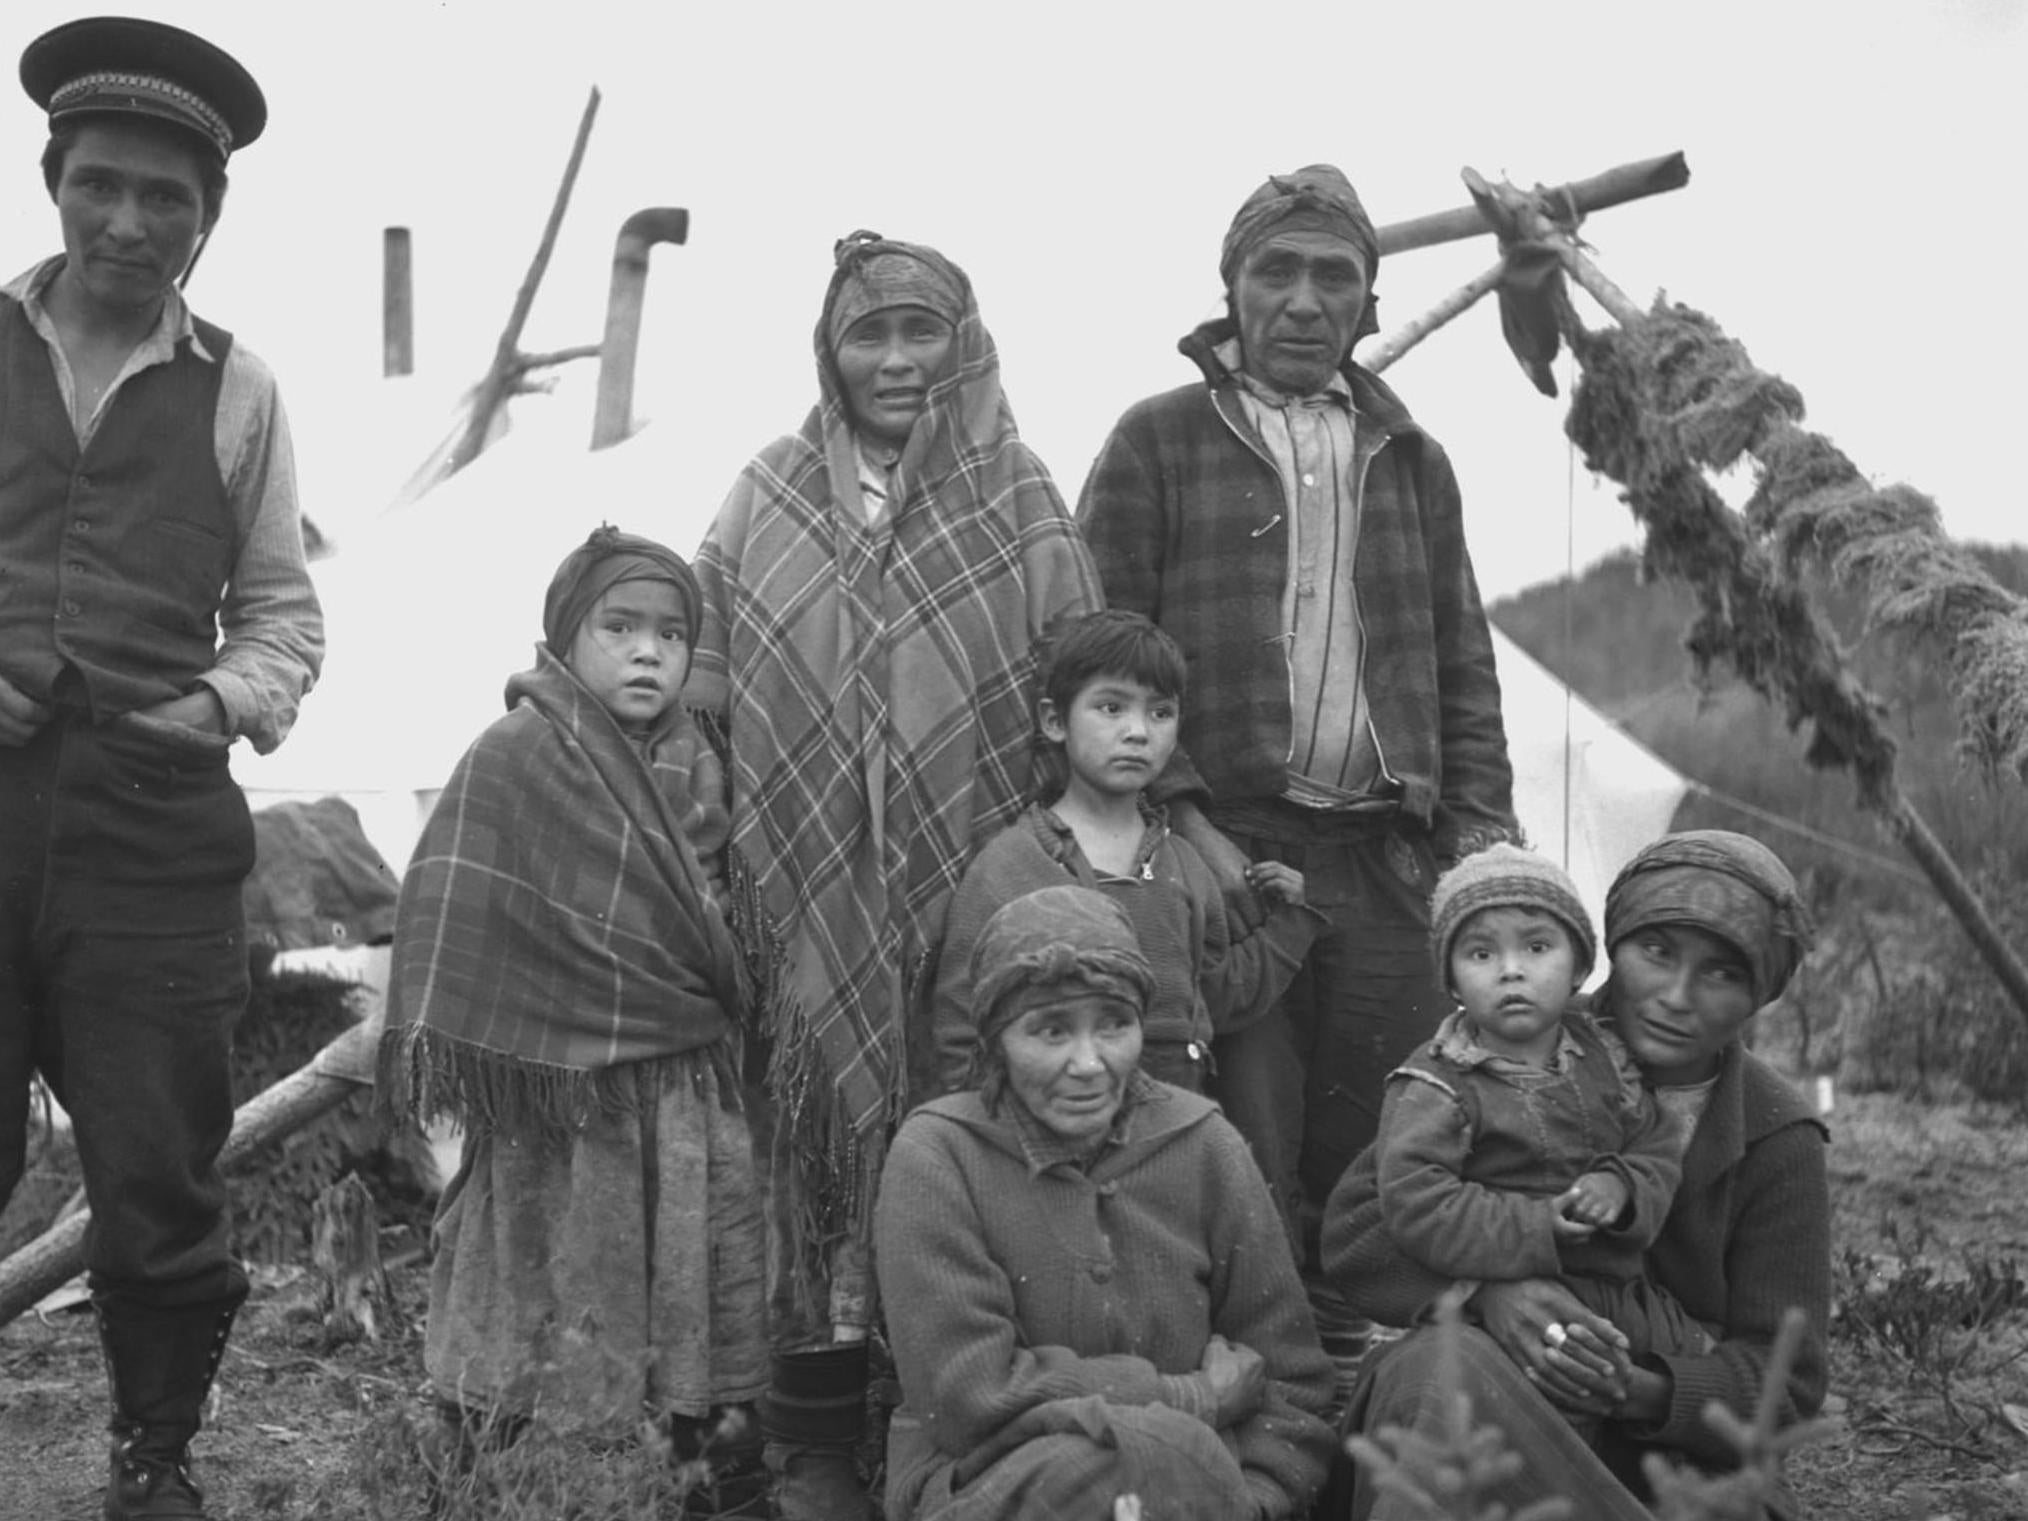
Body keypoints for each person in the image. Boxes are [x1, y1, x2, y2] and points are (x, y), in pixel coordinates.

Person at [690, 232, 1102, 1518]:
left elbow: (1078, 684)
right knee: (806, 1160)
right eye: (866, 336)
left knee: (962, 1148)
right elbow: (702, 669)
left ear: (964, 343)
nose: (895, 360)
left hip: (976, 893)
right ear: (830, 355)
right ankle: (811, 1440)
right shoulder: (767, 491)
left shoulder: (1022, 496)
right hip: (801, 883)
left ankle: (945, 1427)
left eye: (921, 332)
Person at [1075, 163, 1518, 1273]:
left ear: (1368, 305)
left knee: (1388, 1143)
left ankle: (1375, 1409)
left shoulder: (1412, 460)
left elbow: (1462, 667)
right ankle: (1269, 1404)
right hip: (1228, 856)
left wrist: (1476, 857)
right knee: (1238, 1142)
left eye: (1336, 278)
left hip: (1384, 859)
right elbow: (1094, 654)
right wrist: (1186, 829)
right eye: (1278, 272)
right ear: (1233, 291)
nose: (1306, 301)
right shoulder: (1156, 442)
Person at [0, 18, 323, 1519]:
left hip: (153, 838)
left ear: (211, 216)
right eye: (101, 186)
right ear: (54, 179)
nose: (129, 223)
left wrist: (217, 706)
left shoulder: (245, 392)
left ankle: (151, 1459)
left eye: (167, 200)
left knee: (158, 1173)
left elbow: (281, 618)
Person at [378, 529, 768, 1463]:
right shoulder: (517, 754)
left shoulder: (699, 763)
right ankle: (522, 1449)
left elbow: (712, 906)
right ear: (565, 635)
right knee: (559, 1248)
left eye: (672, 635)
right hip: (560, 1095)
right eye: (620, 626)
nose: (648, 652)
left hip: (677, 1076)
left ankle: (687, 1448)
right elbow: (460, 897)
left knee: (680, 1251)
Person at [1322, 830, 1830, 1520]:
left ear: (1761, 993)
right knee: (1436, 1371)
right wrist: (1487, 1289)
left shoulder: (1777, 1133)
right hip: (1493, 1391)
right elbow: (1360, 1227)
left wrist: (1636, 1388)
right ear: (1609, 947)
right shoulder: (1502, 1047)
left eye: (1721, 972)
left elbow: (1785, 1380)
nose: (1677, 996)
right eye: (1656, 951)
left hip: (1663, 1455)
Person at [877, 884, 1338, 1521]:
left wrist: (1247, 1503)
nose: (1089, 1063)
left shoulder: (1206, 1145)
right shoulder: (939, 1156)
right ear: (997, 1044)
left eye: (1113, 1025)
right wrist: (1189, 1402)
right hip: (994, 1487)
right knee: (1107, 1468)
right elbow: (971, 1398)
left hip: (1205, 1499)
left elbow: (1291, 1384)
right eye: (1051, 1030)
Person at [931, 608, 1325, 1095]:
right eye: (1111, 708)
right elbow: (960, 1030)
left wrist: (1289, 926)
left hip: (1163, 1134)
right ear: (1056, 721)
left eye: (1160, 712)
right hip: (1046, 1127)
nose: (1138, 731)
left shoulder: (1183, 866)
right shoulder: (1009, 866)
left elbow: (1215, 999)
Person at [1374, 843, 1698, 1422]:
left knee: (1697, 1385)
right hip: (1503, 1308)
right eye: (1480, 953)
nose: (1511, 969)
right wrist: (1533, 1225)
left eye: (1537, 946)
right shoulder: (1438, 1083)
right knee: (1520, 1414)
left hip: (1623, 1299)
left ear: (1579, 967)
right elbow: (1415, 1200)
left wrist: (1622, 1185)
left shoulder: (1606, 1057)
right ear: (1450, 980)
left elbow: (1657, 1142)